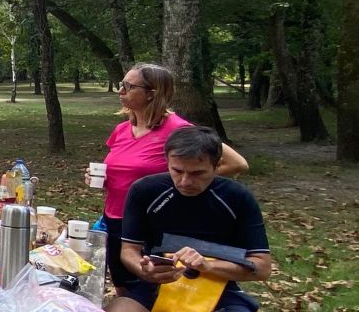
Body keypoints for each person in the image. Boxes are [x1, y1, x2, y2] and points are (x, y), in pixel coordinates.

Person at [100, 64, 249, 292]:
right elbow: (121, 170)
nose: (121, 91)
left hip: (152, 221)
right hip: (115, 218)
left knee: (154, 290)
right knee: (123, 288)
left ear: (152, 93)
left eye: (129, 86)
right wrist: (102, 177)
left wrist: (182, 181)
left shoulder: (178, 129)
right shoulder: (122, 129)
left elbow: (237, 163)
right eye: (122, 84)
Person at [107, 126, 273, 312]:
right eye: (177, 171)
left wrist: (208, 266)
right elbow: (129, 251)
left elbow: (262, 267)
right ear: (167, 161)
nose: (185, 181)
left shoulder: (237, 197)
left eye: (197, 173)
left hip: (220, 290)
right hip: (157, 286)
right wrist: (144, 271)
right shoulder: (145, 190)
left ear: (217, 165)